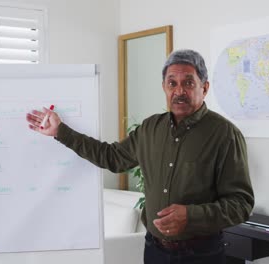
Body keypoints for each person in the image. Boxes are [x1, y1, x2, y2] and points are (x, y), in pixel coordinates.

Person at [26, 49, 254, 264]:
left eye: (188, 83)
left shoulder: (225, 135)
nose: (179, 91)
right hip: (154, 250)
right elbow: (111, 157)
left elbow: (241, 204)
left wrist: (191, 215)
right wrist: (61, 132)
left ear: (204, 88)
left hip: (201, 253)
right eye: (172, 83)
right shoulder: (150, 128)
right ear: (164, 87)